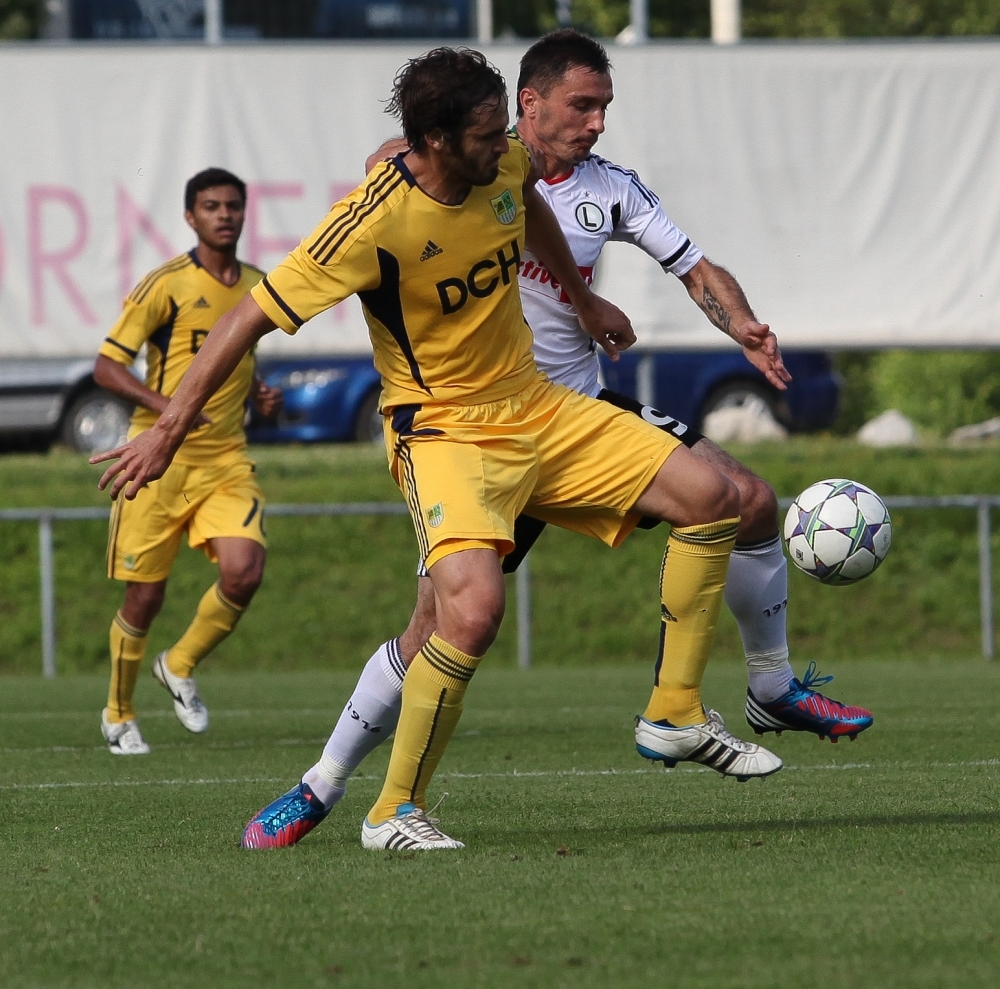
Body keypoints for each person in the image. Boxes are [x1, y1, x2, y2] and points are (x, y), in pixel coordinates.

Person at [94, 47, 782, 850]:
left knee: (716, 498)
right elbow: (248, 318)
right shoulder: (371, 222)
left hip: (537, 407)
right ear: (437, 140)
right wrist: (170, 426)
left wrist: (587, 299)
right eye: (489, 135)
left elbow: (527, 201)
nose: (507, 147)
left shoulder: (502, 164)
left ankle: (673, 709)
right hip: (444, 432)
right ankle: (385, 810)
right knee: (466, 614)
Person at [240, 31, 872, 850]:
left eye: (606, 106)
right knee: (435, 627)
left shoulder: (607, 191)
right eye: (582, 105)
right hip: (466, 444)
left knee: (741, 499)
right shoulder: (457, 167)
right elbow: (388, 166)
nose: (597, 123)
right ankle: (322, 782)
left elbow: (696, 267)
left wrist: (741, 322)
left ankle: (761, 688)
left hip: (563, 414)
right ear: (525, 106)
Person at [95, 168, 282, 755]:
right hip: (155, 461)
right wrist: (169, 410)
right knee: (143, 599)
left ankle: (178, 664)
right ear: (190, 216)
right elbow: (107, 367)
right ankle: (118, 714)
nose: (224, 214)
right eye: (211, 206)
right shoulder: (167, 285)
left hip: (225, 458)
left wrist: (260, 396)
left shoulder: (258, 285)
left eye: (232, 206)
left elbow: (235, 357)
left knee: (244, 571)